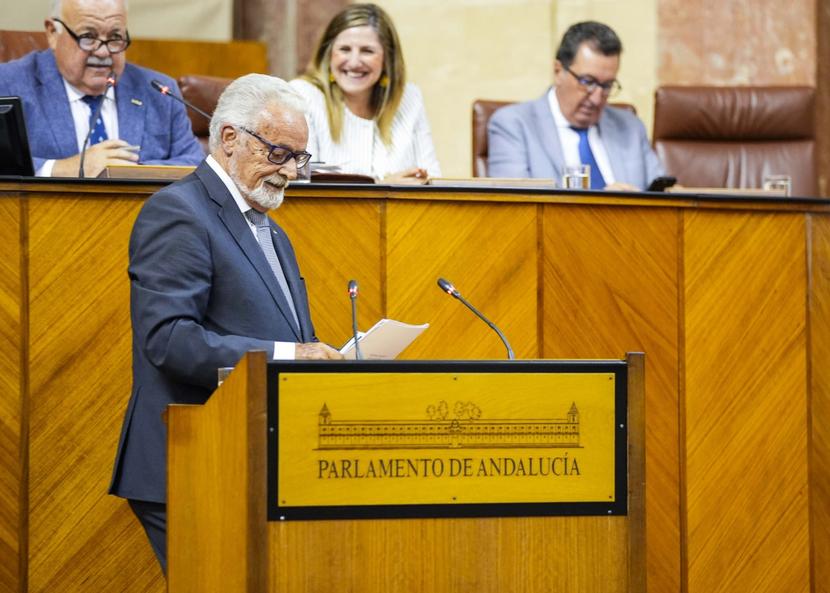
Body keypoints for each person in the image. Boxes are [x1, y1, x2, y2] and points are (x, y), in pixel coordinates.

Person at [108, 73, 342, 573]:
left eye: (299, 158)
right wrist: (292, 355)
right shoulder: (178, 212)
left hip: (250, 461)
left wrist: (317, 353)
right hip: (191, 462)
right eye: (280, 153)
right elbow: (170, 340)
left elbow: (284, 337)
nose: (292, 172)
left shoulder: (272, 231)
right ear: (231, 138)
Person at [0, 0, 204, 178]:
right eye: (88, 36)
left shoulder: (159, 91)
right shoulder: (9, 83)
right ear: (53, 32)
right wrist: (64, 168)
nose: (103, 51)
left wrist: (124, 172)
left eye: (115, 37)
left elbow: (194, 163)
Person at [487, 21, 665, 191]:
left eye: (607, 85)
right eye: (588, 82)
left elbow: (664, 195)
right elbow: (515, 208)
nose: (596, 98)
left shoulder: (630, 127)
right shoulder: (513, 125)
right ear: (558, 72)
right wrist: (605, 203)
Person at [290, 3, 441, 183]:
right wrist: (383, 186)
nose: (354, 62)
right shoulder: (303, 95)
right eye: (344, 49)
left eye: (367, 51)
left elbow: (432, 178)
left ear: (387, 60)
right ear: (328, 54)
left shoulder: (409, 97)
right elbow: (302, 185)